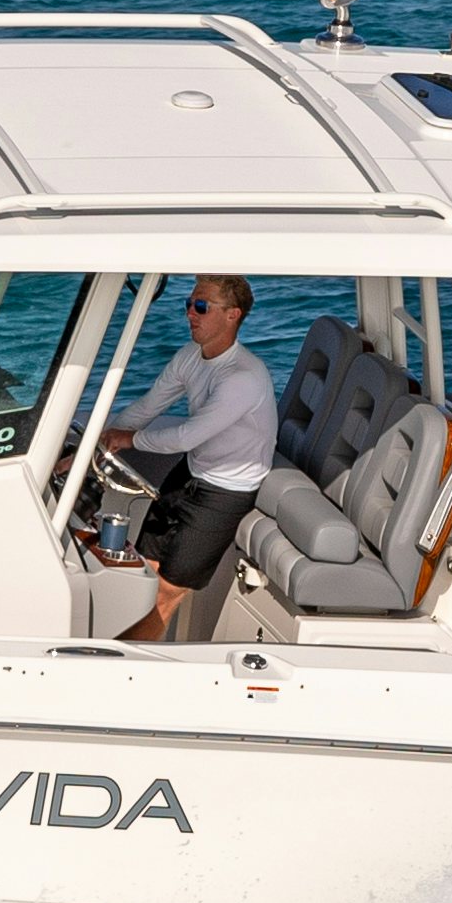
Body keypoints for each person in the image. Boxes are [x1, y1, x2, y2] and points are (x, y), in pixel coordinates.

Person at [106, 274, 272, 642]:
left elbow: (187, 435)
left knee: (167, 592)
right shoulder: (190, 357)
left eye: (201, 306)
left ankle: (123, 667)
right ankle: (112, 647)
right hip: (192, 472)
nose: (190, 314)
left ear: (233, 315)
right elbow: (148, 406)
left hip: (226, 492)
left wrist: (128, 439)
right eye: (188, 304)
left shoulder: (243, 377)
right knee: (141, 572)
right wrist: (100, 446)